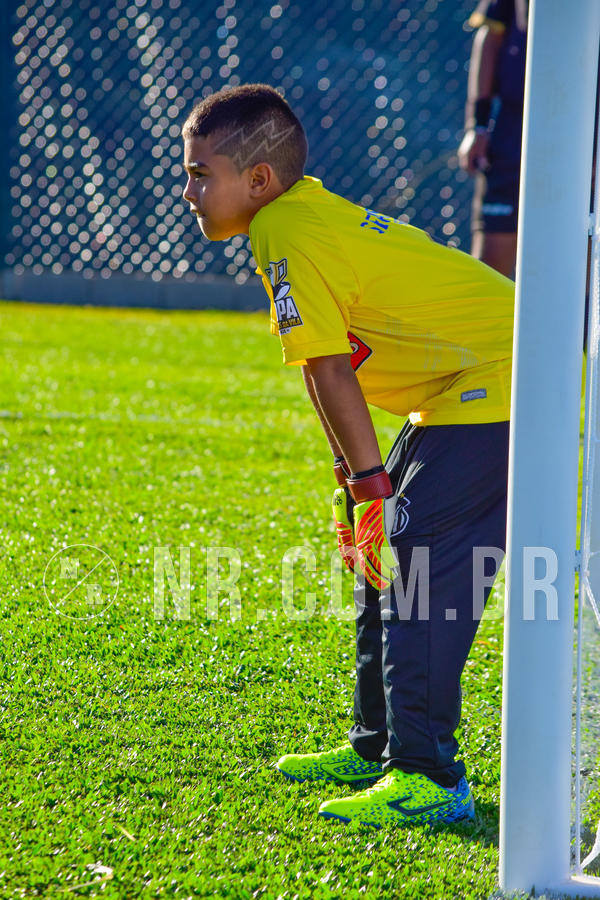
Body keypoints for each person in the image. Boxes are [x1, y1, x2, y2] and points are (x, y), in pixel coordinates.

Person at [181, 84, 514, 828]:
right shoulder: (292, 216)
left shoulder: (284, 231)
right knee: (382, 555)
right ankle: (379, 746)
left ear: (258, 181)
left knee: (416, 560)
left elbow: (332, 368)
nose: (189, 191)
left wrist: (372, 487)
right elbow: (317, 365)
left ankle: (429, 778)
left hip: (502, 374)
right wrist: (356, 482)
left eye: (202, 173)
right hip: (464, 383)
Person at [457, 0, 528, 277]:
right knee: (488, 273)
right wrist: (478, 125)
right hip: (513, 130)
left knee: (580, 266)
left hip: (586, 133)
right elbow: (489, 36)